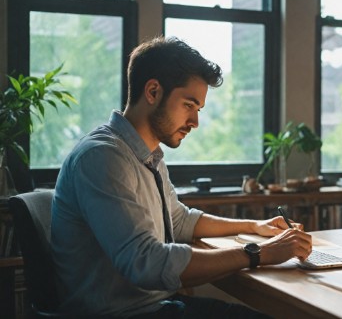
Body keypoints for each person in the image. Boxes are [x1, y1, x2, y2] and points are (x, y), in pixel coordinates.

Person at [51, 36, 313, 318]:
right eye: (189, 105)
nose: (195, 122)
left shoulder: (148, 154)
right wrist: (257, 252)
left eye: (198, 109)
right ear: (153, 91)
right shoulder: (102, 157)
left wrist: (254, 225)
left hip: (157, 307)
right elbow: (146, 263)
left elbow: (179, 220)